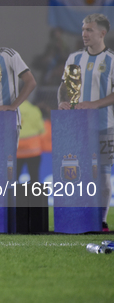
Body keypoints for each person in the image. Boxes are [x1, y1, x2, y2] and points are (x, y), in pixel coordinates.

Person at [58, 13, 113, 232]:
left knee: (103, 175)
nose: (84, 34)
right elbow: (65, 86)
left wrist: (94, 104)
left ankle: (101, 220)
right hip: (77, 127)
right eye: (83, 29)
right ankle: (77, 217)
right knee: (75, 174)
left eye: (89, 30)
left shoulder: (111, 60)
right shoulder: (74, 58)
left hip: (104, 125)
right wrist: (62, 101)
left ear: (102, 33)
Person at [16, 100, 44, 183]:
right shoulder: (34, 110)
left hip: (16, 150)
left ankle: (13, 196)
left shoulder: (12, 110)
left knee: (13, 178)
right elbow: (41, 129)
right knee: (34, 177)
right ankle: (35, 196)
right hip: (32, 149)